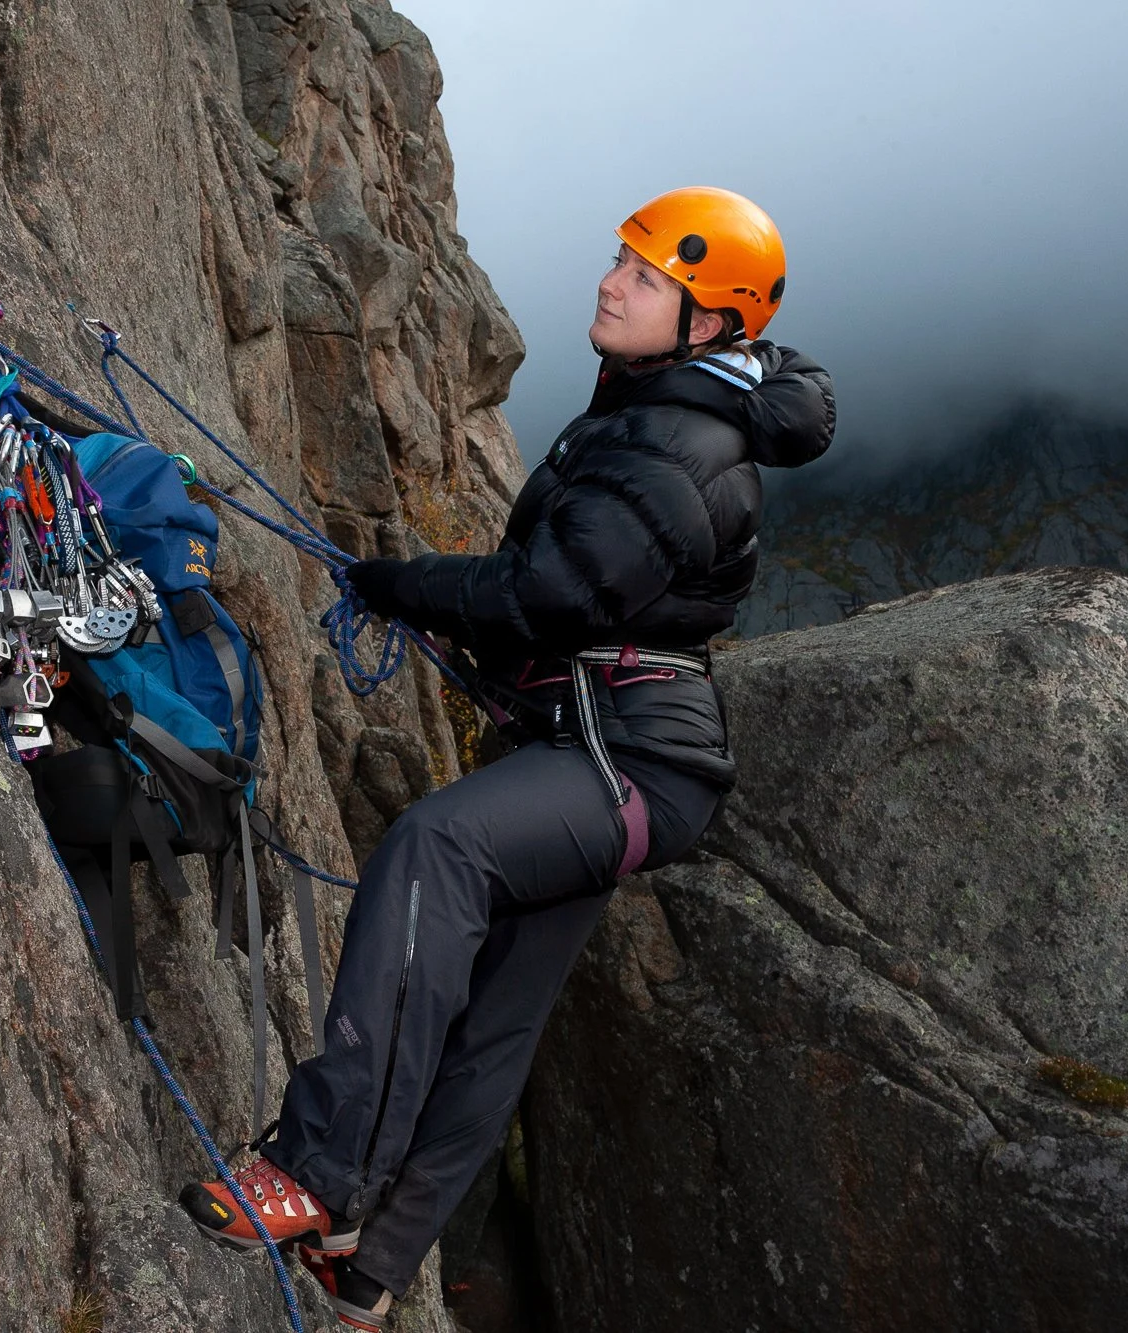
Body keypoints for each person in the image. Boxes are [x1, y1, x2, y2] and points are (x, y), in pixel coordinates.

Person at [179, 186, 835, 1329]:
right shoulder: (658, 411)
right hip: (614, 749)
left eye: (644, 276)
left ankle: (317, 1174)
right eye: (617, 261)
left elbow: (552, 594)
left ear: (707, 320)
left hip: (627, 758)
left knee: (435, 848)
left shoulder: (680, 440)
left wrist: (402, 582)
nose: (610, 281)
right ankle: (370, 1260)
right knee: (495, 1018)